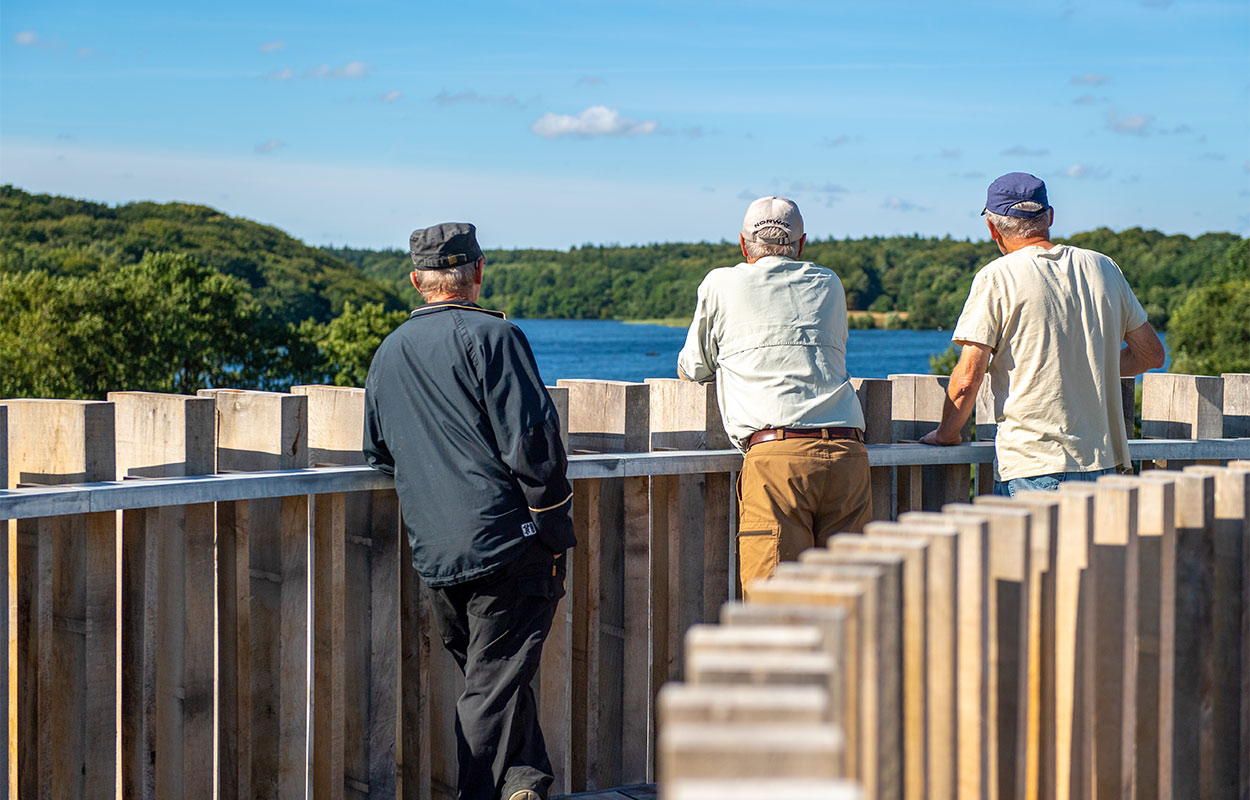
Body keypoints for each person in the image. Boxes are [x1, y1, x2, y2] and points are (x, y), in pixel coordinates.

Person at [363, 222, 575, 800]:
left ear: (415, 281)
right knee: (493, 684)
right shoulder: (496, 338)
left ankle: (524, 784)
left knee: (494, 677)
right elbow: (534, 443)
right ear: (479, 271)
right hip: (508, 542)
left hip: (435, 550)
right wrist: (554, 531)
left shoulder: (388, 353)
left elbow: (378, 450)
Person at [919, 172, 1166, 495]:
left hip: (1034, 468)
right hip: (1106, 467)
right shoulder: (1103, 267)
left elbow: (967, 379)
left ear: (992, 228)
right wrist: (1087, 365)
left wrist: (946, 434)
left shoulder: (997, 277)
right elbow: (1151, 355)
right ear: (1049, 216)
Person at [677, 196, 872, 594]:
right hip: (848, 455)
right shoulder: (829, 283)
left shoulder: (721, 282)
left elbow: (693, 367)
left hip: (777, 457)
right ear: (801, 245)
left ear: (743, 245)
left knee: (774, 608)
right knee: (851, 606)